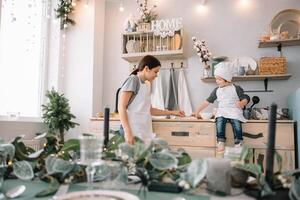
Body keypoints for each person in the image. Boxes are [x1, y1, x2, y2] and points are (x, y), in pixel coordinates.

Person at [118, 55, 185, 145]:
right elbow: (121, 107)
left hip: (142, 130)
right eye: (155, 72)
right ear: (146, 68)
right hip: (131, 130)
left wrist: (173, 112)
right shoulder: (133, 80)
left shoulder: (146, 85)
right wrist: (127, 132)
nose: (156, 75)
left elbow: (150, 110)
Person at [192, 63, 250, 152]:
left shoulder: (236, 88)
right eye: (216, 79)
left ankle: (238, 142)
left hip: (234, 110)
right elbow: (207, 101)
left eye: (219, 79)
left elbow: (245, 98)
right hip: (222, 110)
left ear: (227, 80)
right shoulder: (217, 90)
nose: (216, 81)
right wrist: (197, 111)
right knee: (219, 120)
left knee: (236, 123)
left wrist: (242, 103)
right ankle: (220, 141)